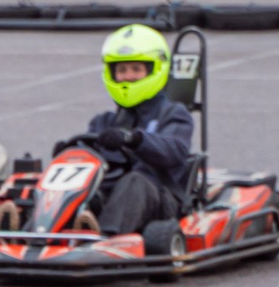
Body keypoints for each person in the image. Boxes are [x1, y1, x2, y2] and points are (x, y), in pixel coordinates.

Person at [70, 22, 196, 236]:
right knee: (77, 182)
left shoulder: (174, 114)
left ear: (155, 69)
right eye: (122, 70)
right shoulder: (103, 122)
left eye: (136, 69)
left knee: (134, 181)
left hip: (160, 197)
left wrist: (135, 139)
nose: (128, 76)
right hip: (112, 195)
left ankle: (108, 238)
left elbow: (174, 150)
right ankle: (31, 229)